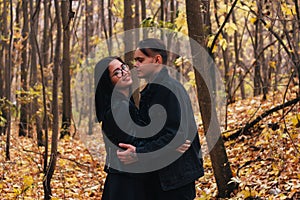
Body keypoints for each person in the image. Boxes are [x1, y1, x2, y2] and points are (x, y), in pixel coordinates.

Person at [117, 38, 204, 200]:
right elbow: (152, 133)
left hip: (175, 179)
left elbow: (176, 135)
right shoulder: (152, 90)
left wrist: (139, 153)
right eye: (135, 60)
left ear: (157, 60)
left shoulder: (168, 90)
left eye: (140, 60)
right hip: (161, 177)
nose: (135, 64)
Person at [94, 56, 190, 200]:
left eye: (124, 67)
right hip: (126, 185)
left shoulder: (125, 103)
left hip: (130, 180)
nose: (124, 72)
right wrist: (169, 147)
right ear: (108, 83)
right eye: (117, 72)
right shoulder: (119, 107)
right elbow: (132, 146)